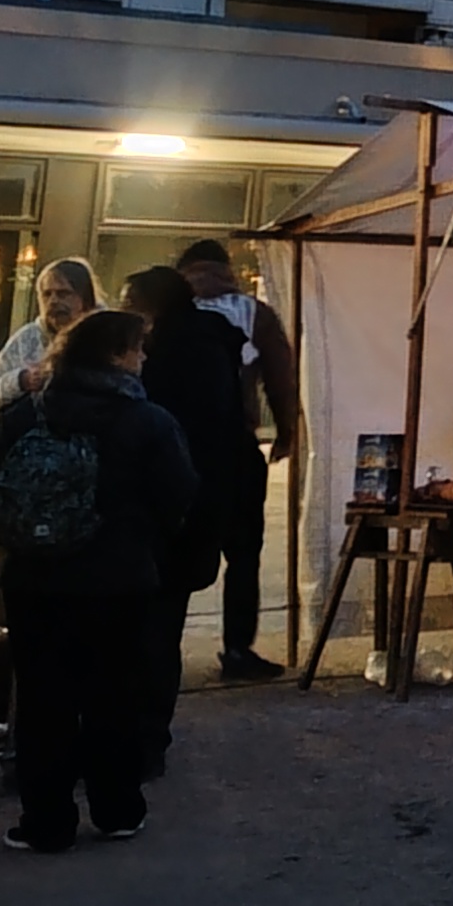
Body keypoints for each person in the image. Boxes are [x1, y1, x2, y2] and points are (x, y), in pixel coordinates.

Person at [0, 306, 203, 852]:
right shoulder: (146, 420)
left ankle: (45, 821)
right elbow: (180, 493)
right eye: (136, 348)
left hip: (33, 581)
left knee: (42, 700)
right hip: (117, 581)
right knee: (114, 696)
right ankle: (117, 809)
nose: (143, 358)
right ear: (115, 356)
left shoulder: (30, 413)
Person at [115, 269, 236, 770]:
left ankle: (138, 740)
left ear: (150, 307)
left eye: (130, 302)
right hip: (198, 513)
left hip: (160, 517)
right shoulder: (216, 347)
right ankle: (149, 739)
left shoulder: (159, 359)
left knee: (145, 633)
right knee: (164, 631)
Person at [175, 242, 301, 680]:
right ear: (227, 269)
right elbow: (280, 377)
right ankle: (237, 649)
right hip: (234, 446)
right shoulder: (254, 312)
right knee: (243, 551)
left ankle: (162, 644)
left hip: (174, 446)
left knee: (174, 548)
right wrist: (287, 433)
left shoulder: (163, 309)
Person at [0, 259, 100, 413]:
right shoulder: (27, 338)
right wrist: (22, 380)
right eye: (47, 294)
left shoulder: (109, 335)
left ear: (86, 299)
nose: (53, 301)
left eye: (63, 294)